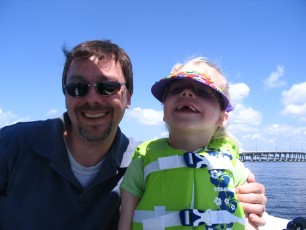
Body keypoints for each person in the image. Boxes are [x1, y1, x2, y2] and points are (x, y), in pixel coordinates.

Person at [0, 40, 266, 230]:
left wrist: (249, 197)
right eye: (78, 87)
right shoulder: (11, 145)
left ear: (128, 98)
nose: (92, 98)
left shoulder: (139, 159)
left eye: (107, 87)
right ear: (66, 95)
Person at [119, 57, 263, 230]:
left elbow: (251, 218)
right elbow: (125, 221)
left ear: (222, 117)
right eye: (176, 89)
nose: (186, 93)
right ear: (164, 112)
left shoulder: (234, 166)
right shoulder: (142, 162)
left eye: (203, 90)